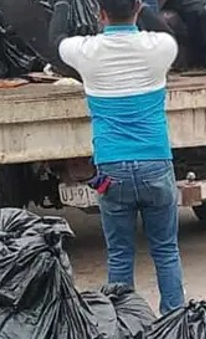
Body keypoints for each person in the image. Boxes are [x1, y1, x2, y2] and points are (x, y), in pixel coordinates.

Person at [49, 0, 186, 314]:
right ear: (139, 8)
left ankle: (124, 323)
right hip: (156, 165)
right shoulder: (160, 48)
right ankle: (174, 322)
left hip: (109, 173)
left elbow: (55, 41)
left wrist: (61, 5)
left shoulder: (86, 52)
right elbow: (166, 31)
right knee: (166, 251)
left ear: (100, 14)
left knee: (119, 254)